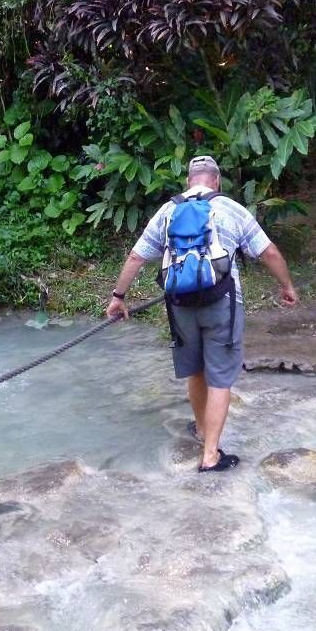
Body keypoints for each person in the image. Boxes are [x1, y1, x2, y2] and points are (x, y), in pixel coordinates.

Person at [105, 155, 298, 472]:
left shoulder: (168, 211)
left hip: (180, 304)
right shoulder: (231, 209)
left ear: (188, 181)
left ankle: (201, 430)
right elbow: (270, 252)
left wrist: (118, 297)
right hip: (222, 302)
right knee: (219, 377)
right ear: (216, 181)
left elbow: (137, 256)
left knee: (195, 370)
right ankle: (210, 456)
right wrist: (287, 285)